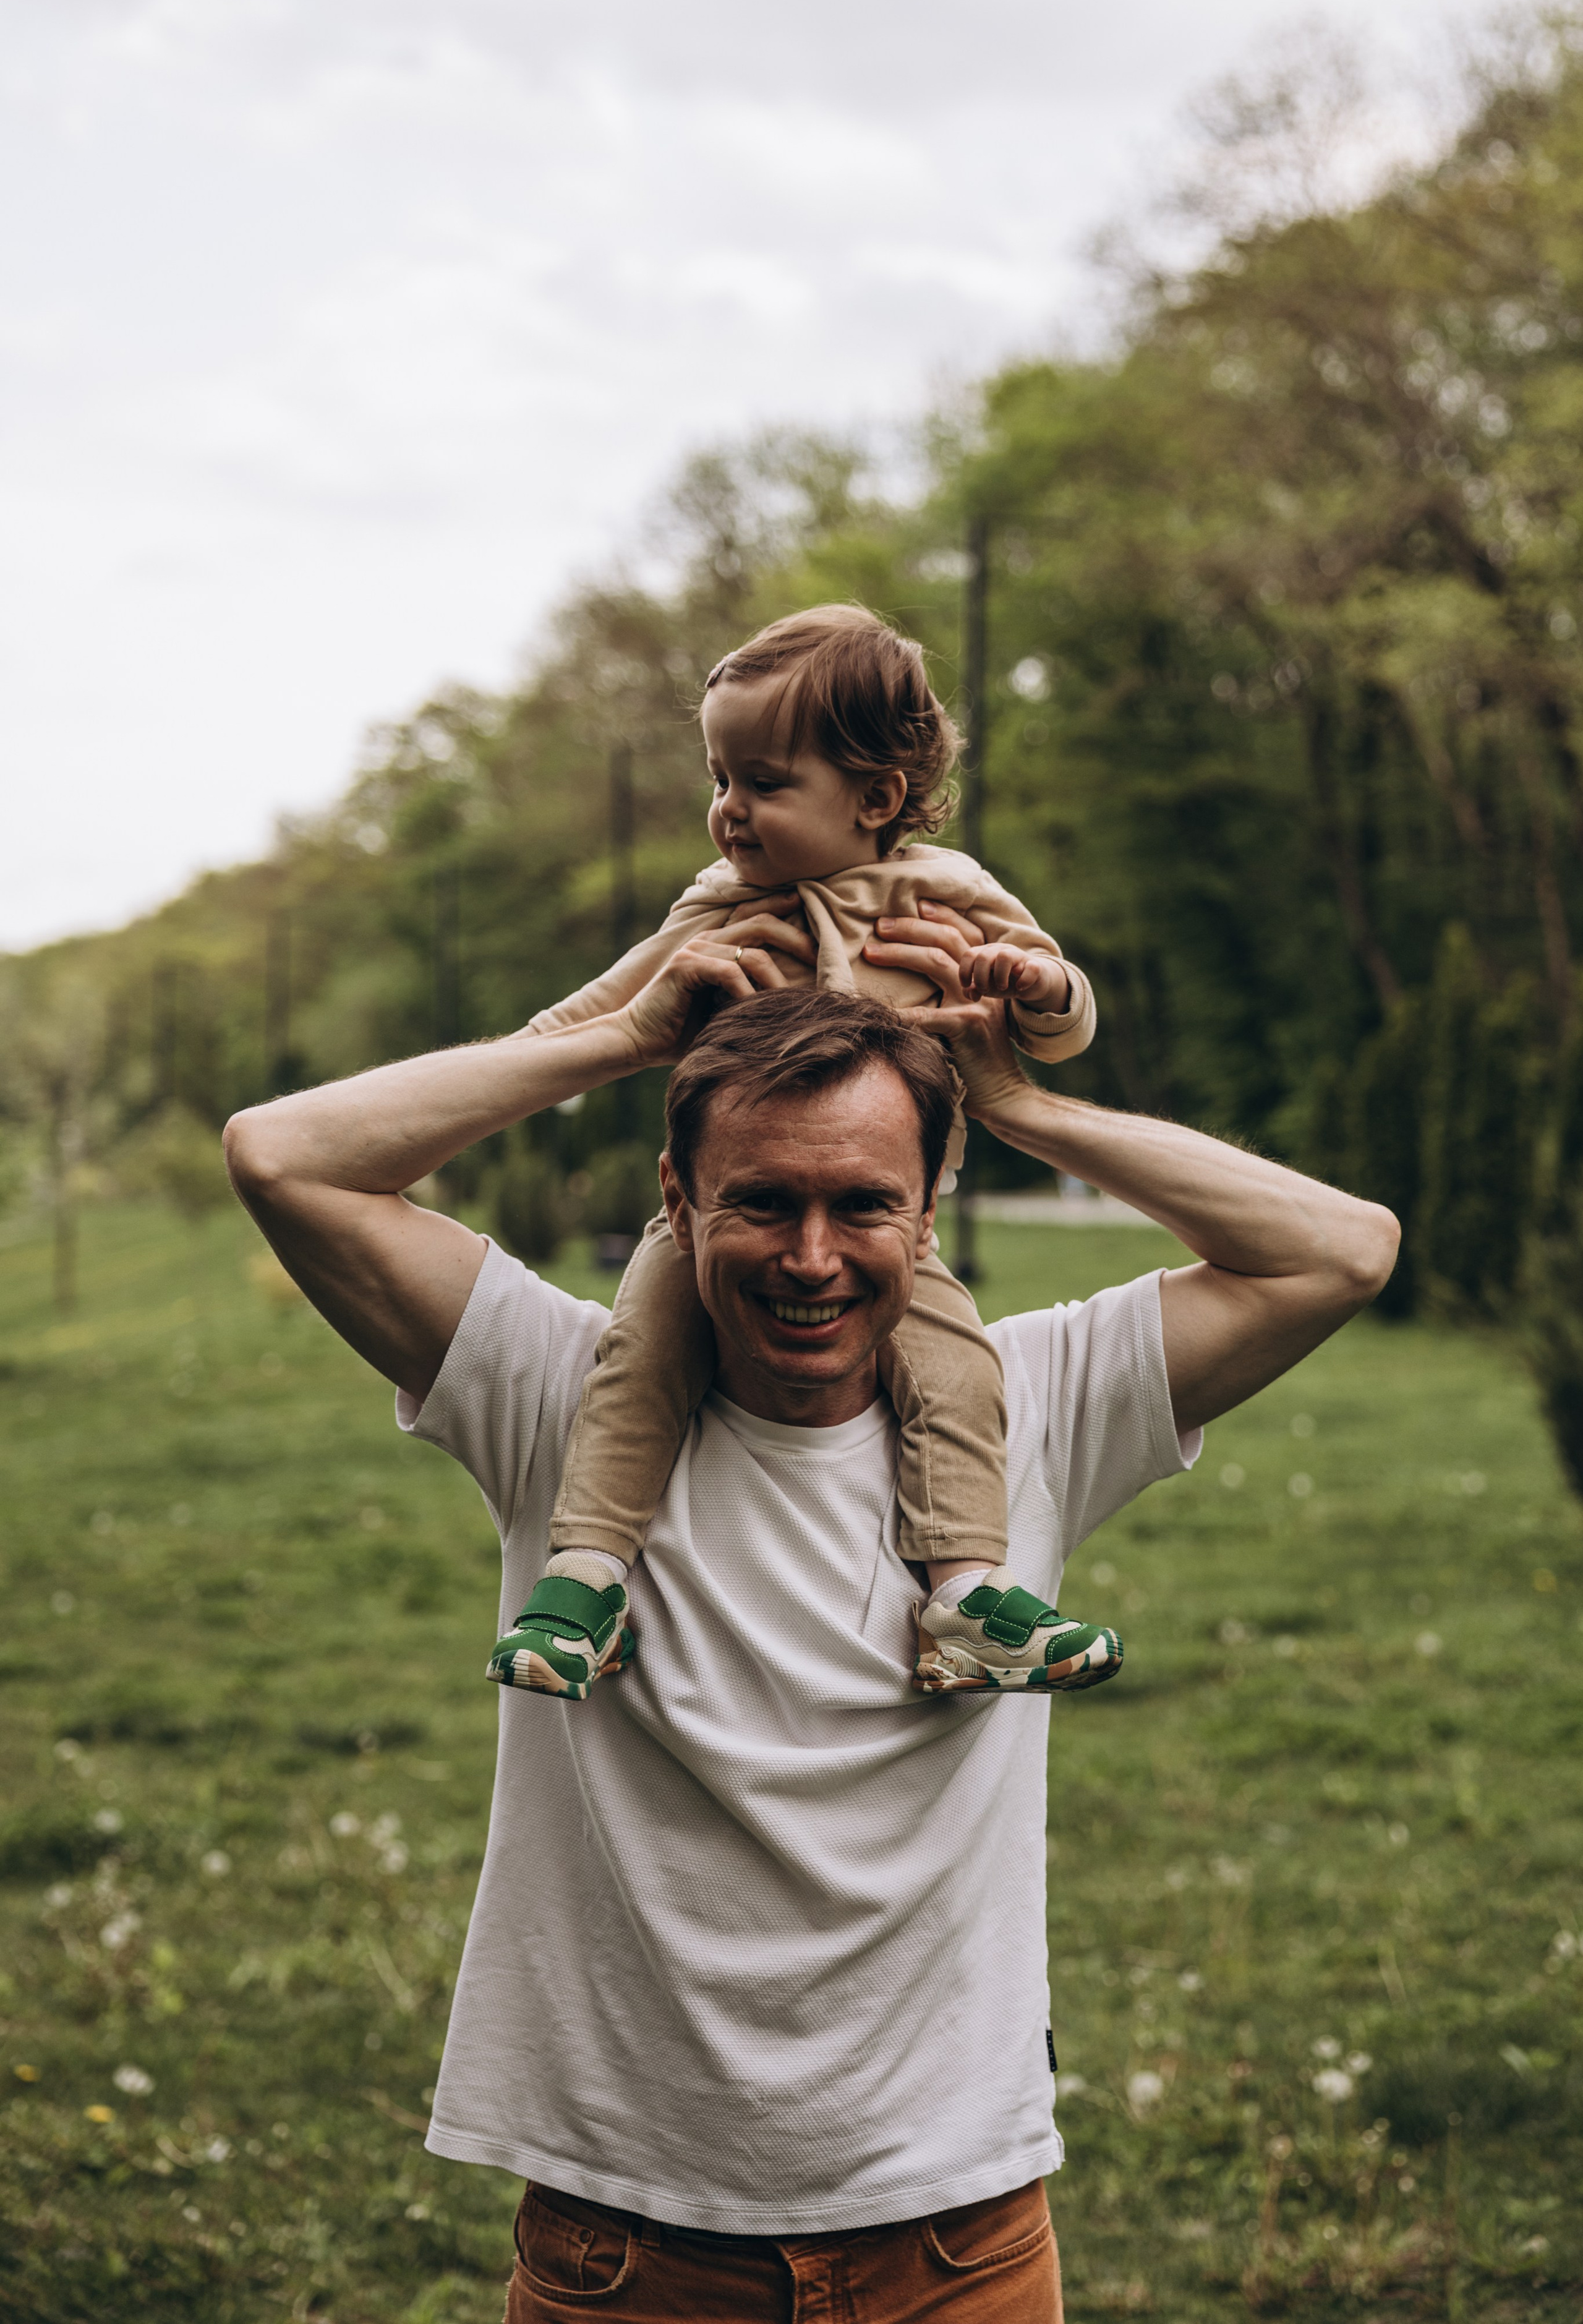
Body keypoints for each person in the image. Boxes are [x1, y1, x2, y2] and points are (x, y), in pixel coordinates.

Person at [223, 917, 1397, 2322]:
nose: (812, 1258)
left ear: (928, 1207)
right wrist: (615, 1035)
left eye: (863, 1205)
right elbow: (281, 1157)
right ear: (677, 1200)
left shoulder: (1024, 1404)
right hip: (630, 2251)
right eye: (764, 1202)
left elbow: (1341, 1250)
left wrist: (1022, 1107)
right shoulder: (560, 1394)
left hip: (957, 2248)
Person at [498, 600, 1120, 1707]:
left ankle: (967, 1593)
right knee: (639, 1357)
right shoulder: (718, 911)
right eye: (719, 778)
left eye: (764, 782)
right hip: (721, 1218)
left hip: (889, 1227)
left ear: (876, 798)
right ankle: (586, 1576)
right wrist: (546, 1055)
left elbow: (1063, 1021)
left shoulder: (949, 894)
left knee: (959, 1374)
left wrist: (1035, 984)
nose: (728, 810)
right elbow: (594, 1015)